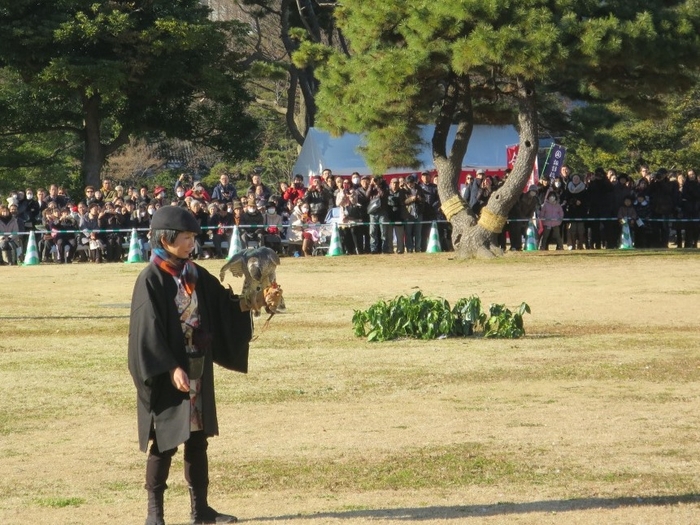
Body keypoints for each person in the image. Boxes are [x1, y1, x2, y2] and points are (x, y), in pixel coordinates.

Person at [128, 205, 270, 525]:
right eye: (187, 237)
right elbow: (146, 331)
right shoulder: (151, 278)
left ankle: (201, 511)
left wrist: (255, 294)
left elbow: (224, 306)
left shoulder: (193, 273)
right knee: (164, 443)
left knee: (197, 439)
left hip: (198, 367)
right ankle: (155, 516)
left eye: (194, 237)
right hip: (169, 373)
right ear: (166, 239)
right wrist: (169, 367)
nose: (192, 243)